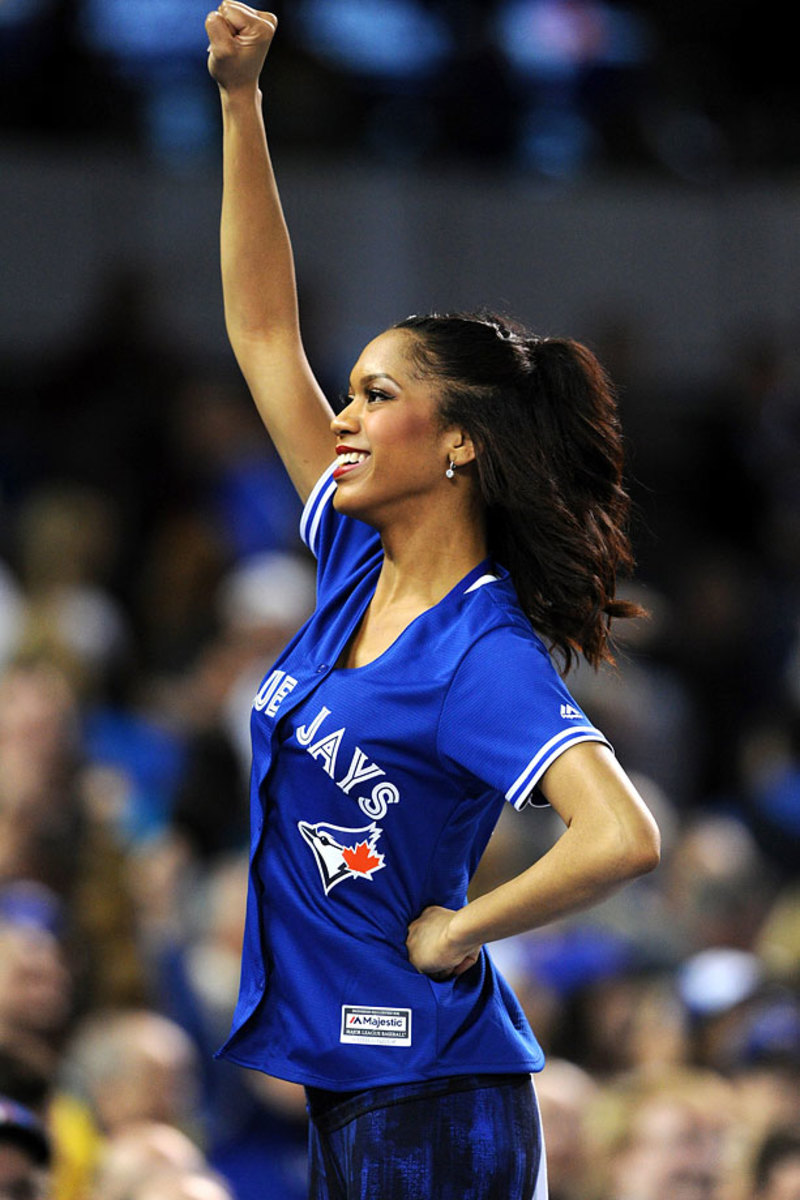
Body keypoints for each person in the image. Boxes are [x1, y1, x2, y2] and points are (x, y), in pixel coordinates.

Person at [204, 5, 661, 1197]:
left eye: (372, 394)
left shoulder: (479, 649)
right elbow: (260, 332)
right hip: (360, 1092)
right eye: (345, 396)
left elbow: (621, 835)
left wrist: (460, 930)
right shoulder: (355, 561)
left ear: (455, 442)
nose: (342, 418)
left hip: (437, 1098)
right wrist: (241, 102)